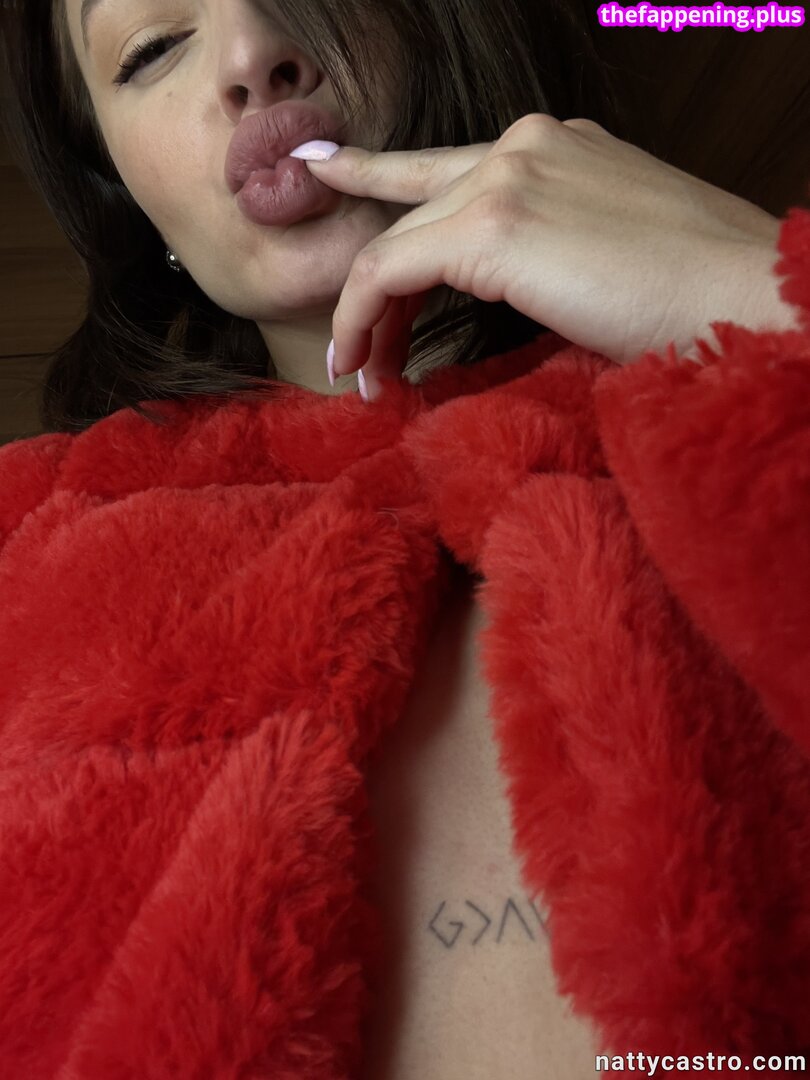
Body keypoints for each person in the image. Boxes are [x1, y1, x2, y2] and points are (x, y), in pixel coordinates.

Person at [1, 1, 809, 1077]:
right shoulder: (25, 542)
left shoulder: (750, 392)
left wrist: (748, 285)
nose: (248, 55)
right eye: (150, 47)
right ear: (126, 197)